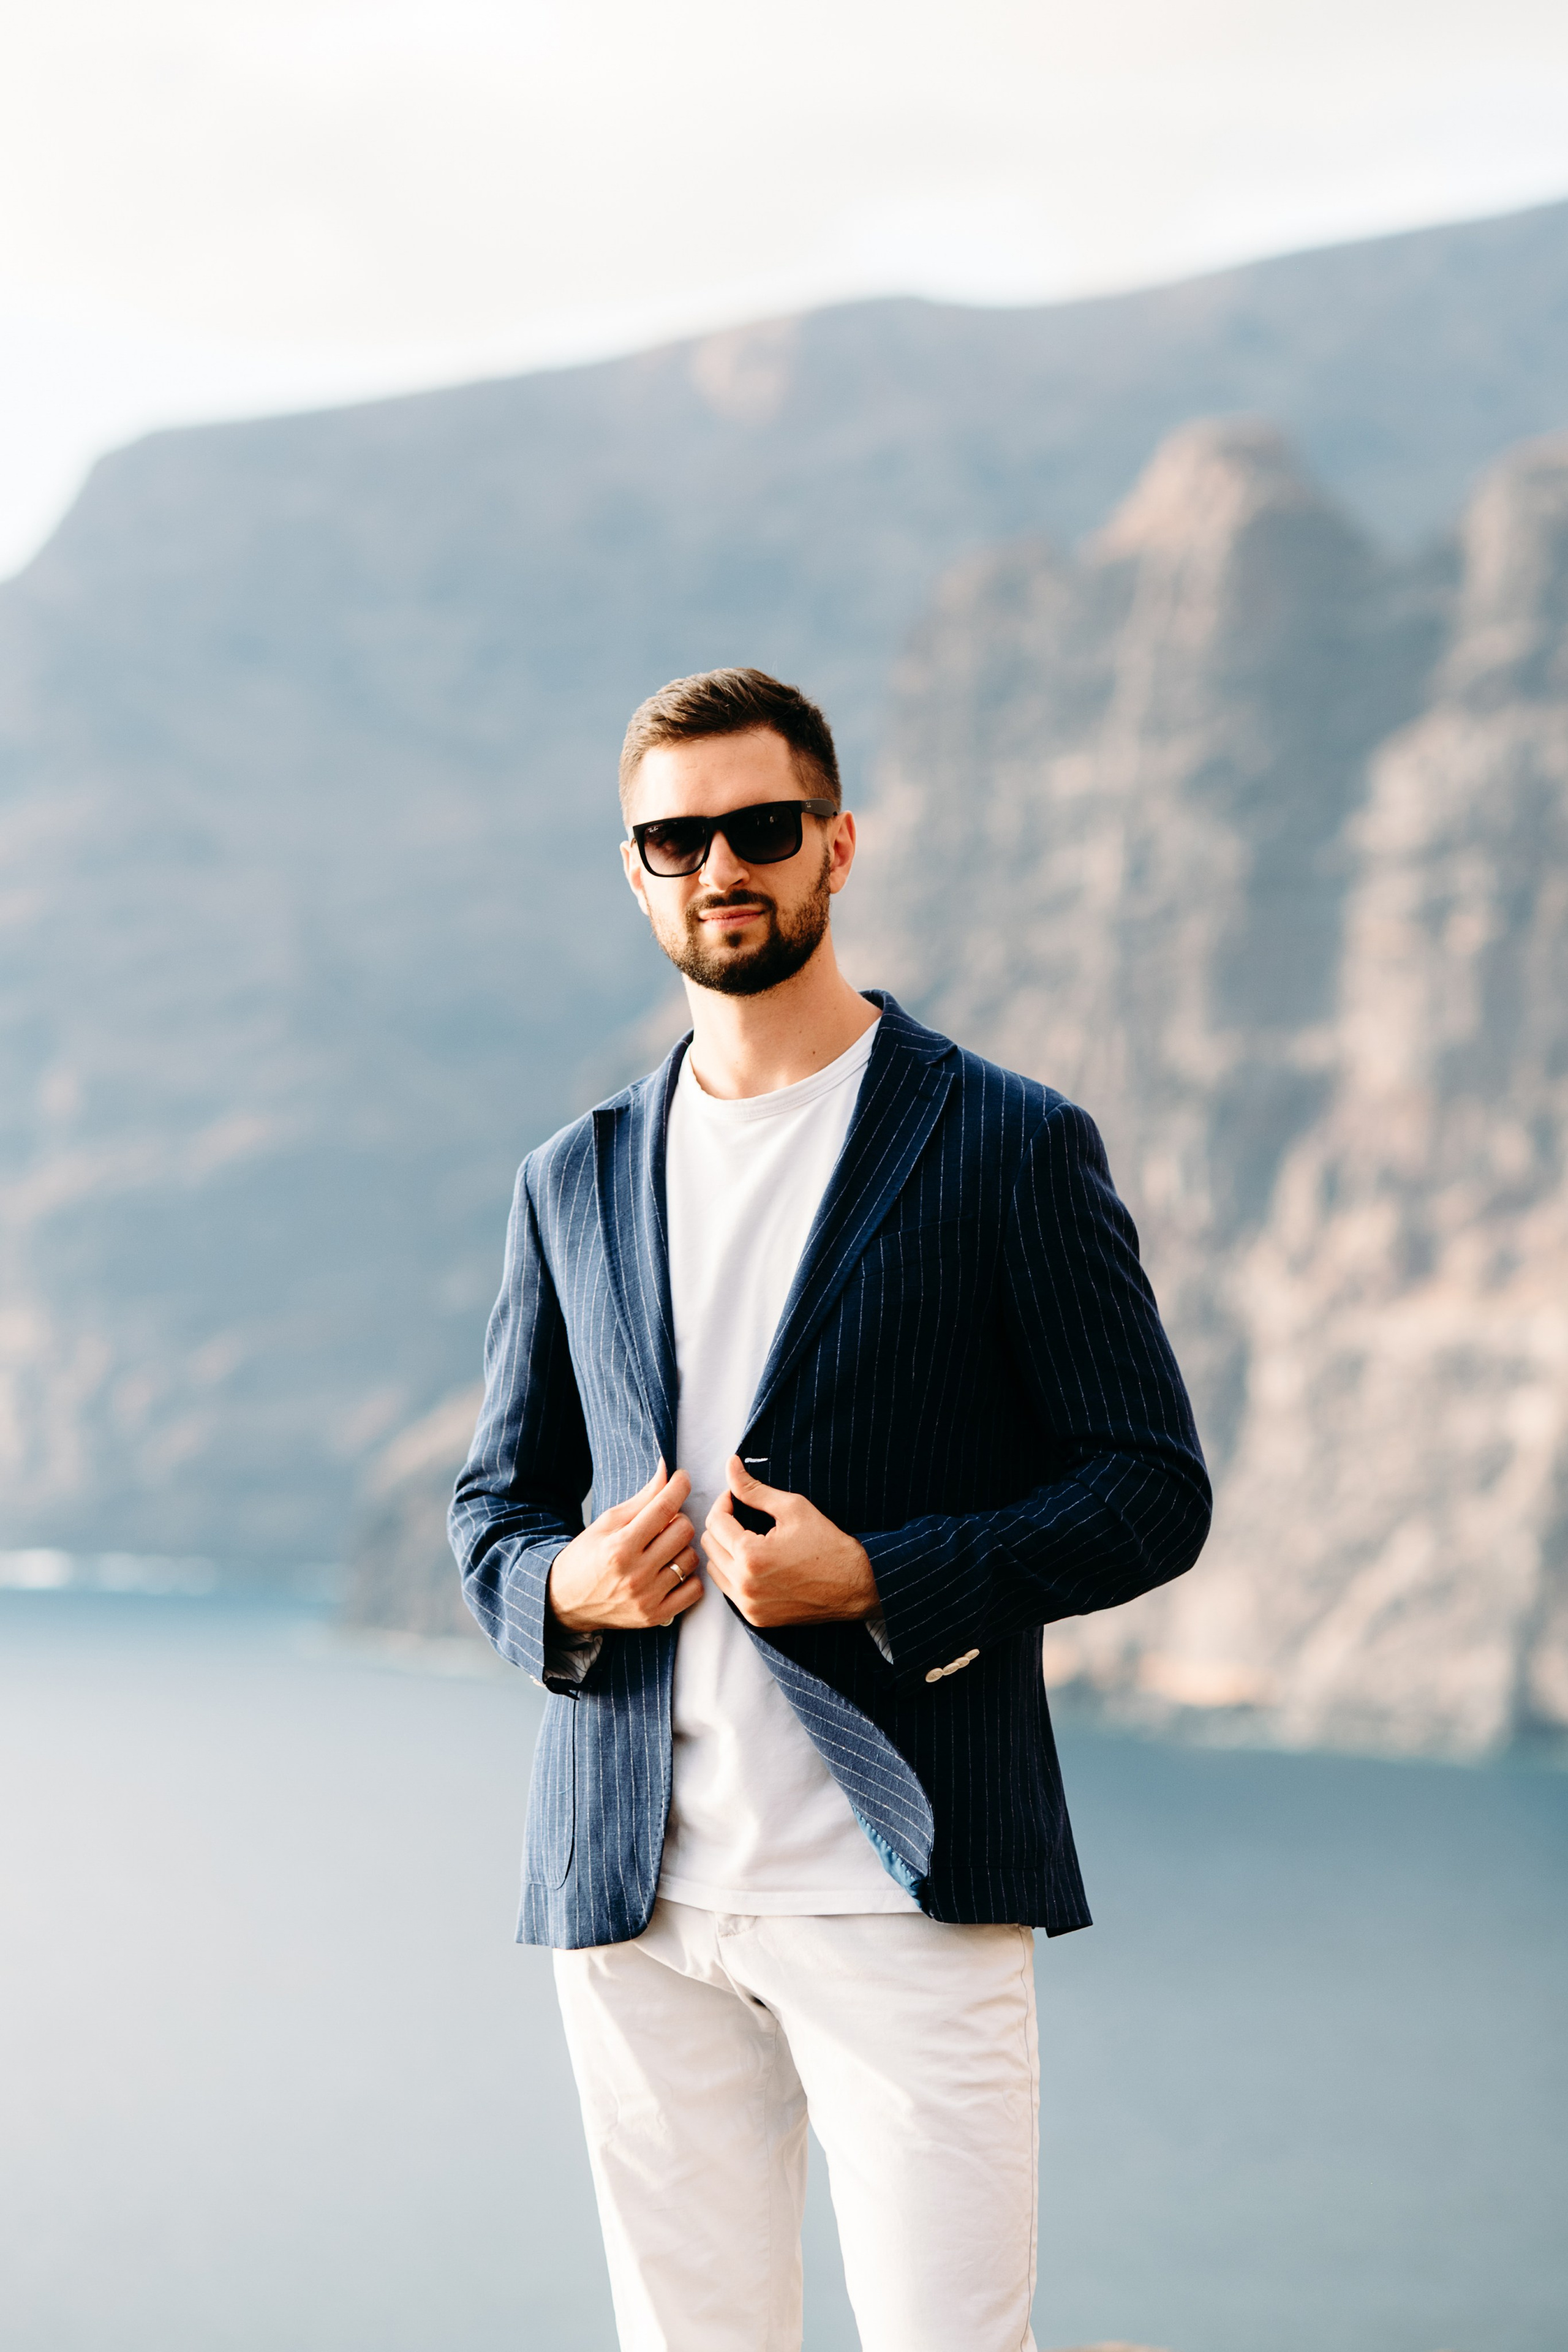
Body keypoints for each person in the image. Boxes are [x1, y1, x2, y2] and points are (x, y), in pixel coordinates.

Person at [450, 666, 1210, 2352]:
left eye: (761, 828)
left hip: (904, 1882)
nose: (721, 866)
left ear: (837, 845)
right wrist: (566, 1590)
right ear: (636, 871)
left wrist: (883, 1577)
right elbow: (494, 1507)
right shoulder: (569, 1178)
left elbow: (1153, 1488)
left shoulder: (1009, 1143)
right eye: (676, 840)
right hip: (634, 1896)